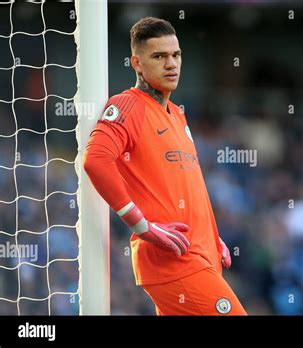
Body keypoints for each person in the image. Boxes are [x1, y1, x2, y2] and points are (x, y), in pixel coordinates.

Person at [83, 17, 247, 315]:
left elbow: (182, 185)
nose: (171, 64)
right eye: (159, 56)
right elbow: (95, 160)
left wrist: (211, 235)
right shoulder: (127, 105)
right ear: (137, 63)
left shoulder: (176, 115)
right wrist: (140, 226)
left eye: (176, 55)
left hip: (199, 254)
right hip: (175, 261)